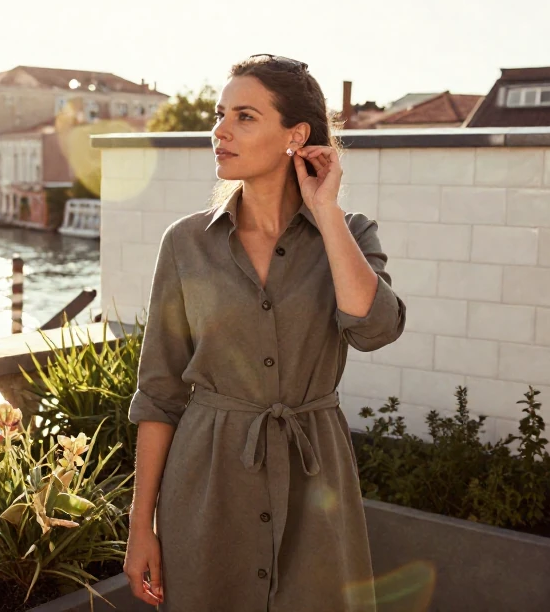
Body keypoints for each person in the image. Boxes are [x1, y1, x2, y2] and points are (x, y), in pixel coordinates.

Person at [123, 54, 407, 611]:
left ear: (295, 135)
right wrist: (141, 526)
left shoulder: (349, 234)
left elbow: (376, 329)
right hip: (206, 483)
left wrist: (325, 214)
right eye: (220, 113)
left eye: (245, 116)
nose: (220, 131)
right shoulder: (186, 244)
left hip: (315, 479)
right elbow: (159, 392)